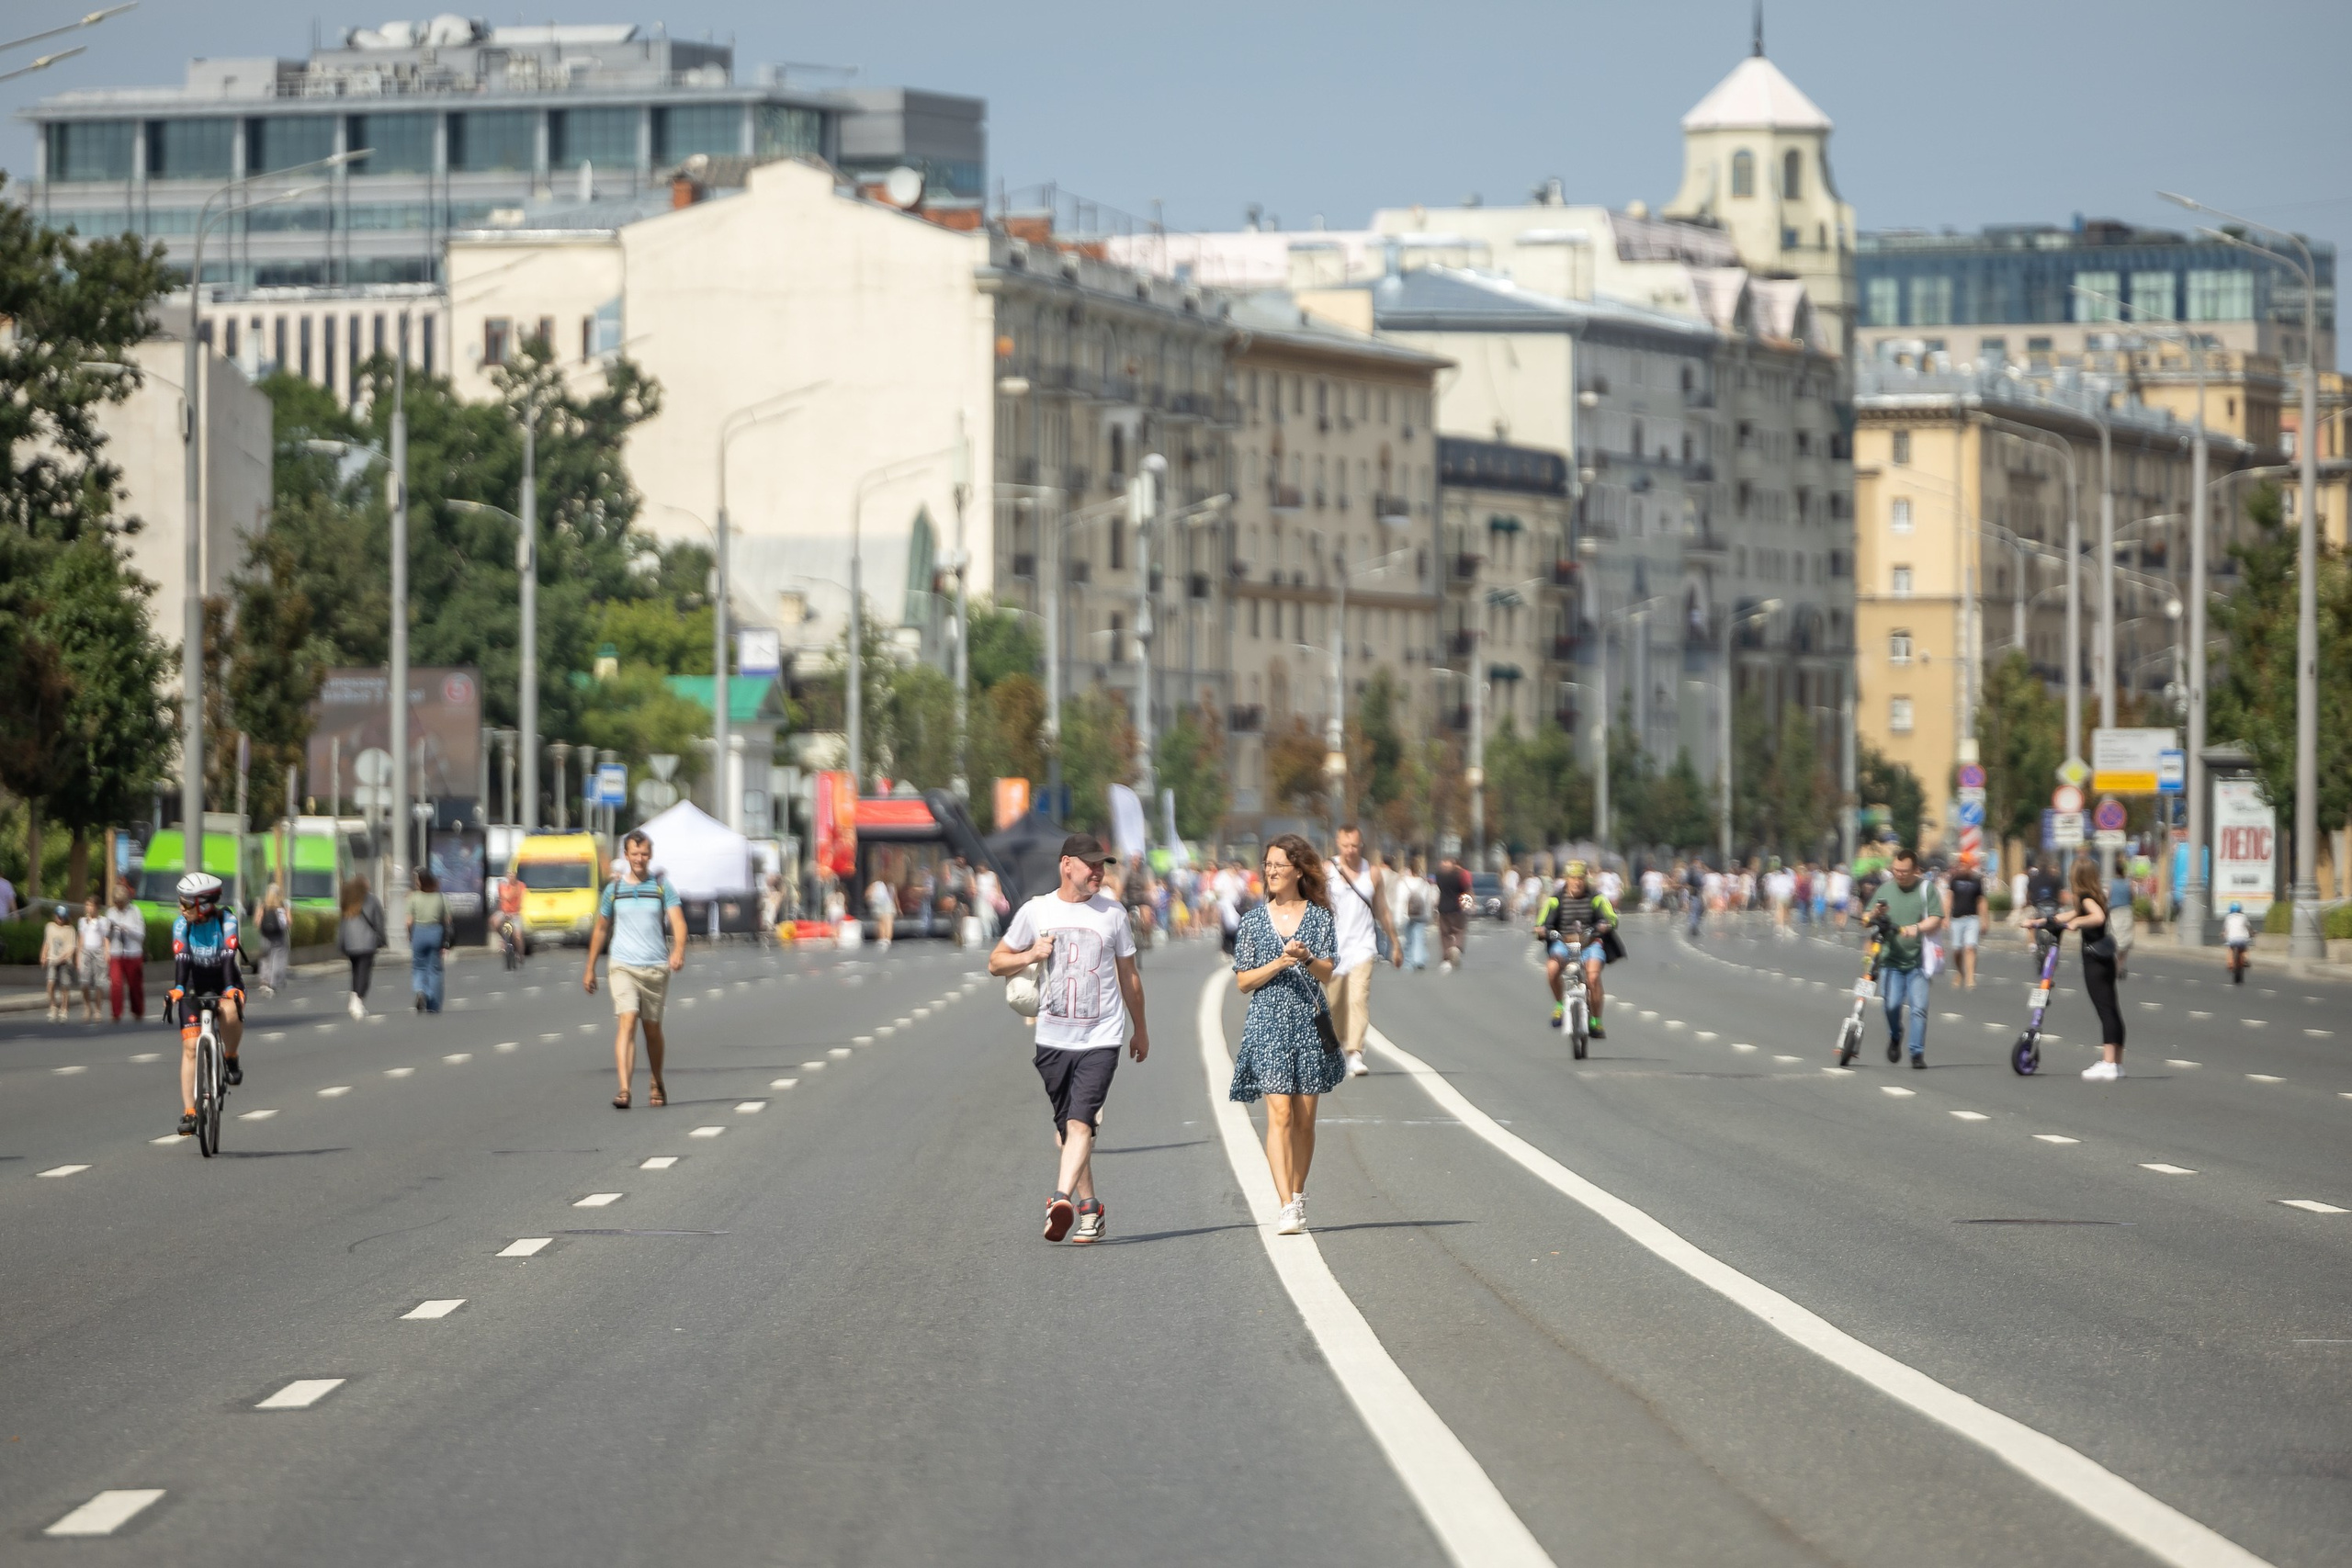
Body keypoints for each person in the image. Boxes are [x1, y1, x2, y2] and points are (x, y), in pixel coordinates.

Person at [988, 833, 1148, 1245]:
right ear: (1066, 865)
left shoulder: (1113, 914)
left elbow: (1129, 976)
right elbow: (995, 962)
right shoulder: (1036, 911)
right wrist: (1029, 955)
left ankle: (1058, 1199)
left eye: (1103, 865)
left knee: (1080, 1123)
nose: (1099, 871)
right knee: (1067, 1130)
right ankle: (1090, 1209)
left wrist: (1140, 1028)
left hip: (1101, 1037)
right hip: (1052, 1039)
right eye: (1091, 864)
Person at [1229, 834, 1340, 1236]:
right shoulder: (1254, 922)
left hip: (1308, 1021)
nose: (1271, 872)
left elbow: (1329, 972)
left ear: (1298, 870)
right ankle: (1286, 1204)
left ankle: (1299, 1190)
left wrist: (1306, 957)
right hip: (1268, 1022)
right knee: (1278, 1113)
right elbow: (1243, 981)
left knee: (1304, 1120)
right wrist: (1279, 961)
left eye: (1279, 865)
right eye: (1268, 865)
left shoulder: (1319, 918)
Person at [583, 829, 687, 1111]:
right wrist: (590, 967)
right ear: (626, 855)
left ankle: (656, 1080)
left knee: (651, 1029)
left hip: (654, 966)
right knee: (626, 1021)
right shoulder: (614, 890)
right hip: (622, 964)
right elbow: (602, 927)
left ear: (650, 855)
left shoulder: (661, 887)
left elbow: (677, 921)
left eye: (644, 853)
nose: (639, 858)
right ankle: (624, 1089)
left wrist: (678, 950)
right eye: (634, 853)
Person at [166, 872, 244, 1136]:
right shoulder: (181, 924)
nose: (181, 908)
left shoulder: (226, 920)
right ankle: (190, 1111)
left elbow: (227, 955)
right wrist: (178, 988)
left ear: (205, 903)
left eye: (186, 903)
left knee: (231, 1011)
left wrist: (231, 989)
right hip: (192, 983)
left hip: (223, 980)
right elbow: (183, 958)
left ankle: (230, 1057)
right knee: (190, 1047)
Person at [1325, 825, 1401, 1078]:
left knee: (1358, 998)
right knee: (1335, 1004)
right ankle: (1339, 1047)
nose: (1350, 850)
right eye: (1346, 845)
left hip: (1363, 946)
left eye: (1355, 846)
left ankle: (1354, 1052)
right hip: (1333, 948)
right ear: (1338, 843)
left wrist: (1395, 943)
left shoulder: (1373, 873)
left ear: (1362, 845)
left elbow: (1383, 910)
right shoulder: (1327, 871)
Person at [2042, 858, 2127, 1080]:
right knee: (2111, 1008)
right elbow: (2068, 915)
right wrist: (2040, 922)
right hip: (2106, 959)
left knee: (2105, 1009)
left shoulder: (2085, 897)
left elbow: (2095, 917)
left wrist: (2078, 924)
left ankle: (2108, 1063)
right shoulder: (2096, 895)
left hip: (2095, 961)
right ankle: (2116, 1063)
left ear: (2077, 876)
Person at [1862, 847, 1941, 1069]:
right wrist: (1875, 914)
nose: (1899, 874)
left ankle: (1917, 1053)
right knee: (1892, 1005)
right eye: (1895, 869)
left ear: (1916, 870)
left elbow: (1936, 918)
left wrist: (1916, 928)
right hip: (1890, 961)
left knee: (1919, 1007)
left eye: (1904, 871)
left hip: (1918, 961)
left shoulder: (1926, 889)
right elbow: (1866, 919)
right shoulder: (1885, 889)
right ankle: (1895, 1035)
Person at [1538, 861, 1617, 1038]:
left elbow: (1611, 918)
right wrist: (1542, 929)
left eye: (1580, 878)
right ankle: (1560, 1005)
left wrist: (1606, 925)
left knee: (1593, 977)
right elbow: (1541, 922)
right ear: (1567, 879)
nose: (1577, 882)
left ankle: (1596, 1021)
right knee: (1551, 969)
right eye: (1573, 878)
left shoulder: (1596, 897)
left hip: (1591, 943)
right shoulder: (1555, 899)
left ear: (1585, 879)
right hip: (1563, 942)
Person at [339, 875, 385, 1019]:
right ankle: (358, 1000)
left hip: (350, 942)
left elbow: (342, 921)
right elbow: (378, 921)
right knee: (364, 973)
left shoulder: (348, 899)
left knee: (355, 971)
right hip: (367, 942)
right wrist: (382, 939)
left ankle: (354, 999)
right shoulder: (371, 900)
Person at [407, 869, 450, 1013]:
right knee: (435, 970)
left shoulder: (413, 897)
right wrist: (446, 940)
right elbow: (448, 920)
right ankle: (433, 1005)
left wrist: (410, 935)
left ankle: (420, 990)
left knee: (419, 966)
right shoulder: (441, 898)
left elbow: (408, 921)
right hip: (435, 932)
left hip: (418, 932)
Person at [105, 882, 147, 1021]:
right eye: (116, 902)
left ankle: (138, 1011)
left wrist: (127, 929)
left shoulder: (135, 912)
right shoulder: (110, 912)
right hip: (116, 952)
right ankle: (116, 1013)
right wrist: (110, 929)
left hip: (133, 952)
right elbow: (106, 935)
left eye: (121, 902)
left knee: (134, 984)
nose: (119, 905)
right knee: (116, 983)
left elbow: (141, 934)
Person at [1942, 855, 1984, 989]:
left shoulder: (1977, 881)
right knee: (1957, 949)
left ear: (1970, 865)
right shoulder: (1954, 880)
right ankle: (1960, 971)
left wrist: (1985, 920)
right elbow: (1949, 898)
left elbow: (1982, 901)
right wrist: (1946, 917)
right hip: (1956, 919)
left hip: (1972, 918)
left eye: (1965, 864)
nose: (1962, 866)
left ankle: (1971, 976)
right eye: (1960, 864)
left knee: (1970, 947)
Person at [1431, 850, 1472, 972]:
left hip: (1443, 906)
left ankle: (1446, 956)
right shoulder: (1459, 875)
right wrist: (1468, 905)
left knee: (1444, 933)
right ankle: (1456, 947)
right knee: (1459, 929)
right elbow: (1466, 889)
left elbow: (1438, 888)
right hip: (1457, 907)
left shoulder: (1439, 875)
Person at [41, 904, 77, 1021]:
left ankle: (64, 1008)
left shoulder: (70, 930)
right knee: (50, 983)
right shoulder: (50, 927)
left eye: (62, 917)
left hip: (64, 962)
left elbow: (71, 948)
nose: (59, 919)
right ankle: (52, 1007)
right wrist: (43, 955)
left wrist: (64, 958)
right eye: (58, 916)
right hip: (52, 959)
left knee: (64, 985)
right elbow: (47, 942)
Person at [75, 894, 107, 1021]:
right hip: (86, 951)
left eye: (91, 905)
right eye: (87, 905)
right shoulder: (82, 921)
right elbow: (81, 939)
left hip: (98, 951)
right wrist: (78, 955)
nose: (88, 908)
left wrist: (107, 952)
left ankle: (98, 1010)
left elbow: (105, 938)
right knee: (84, 982)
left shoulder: (102, 921)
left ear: (96, 907)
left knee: (100, 982)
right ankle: (87, 1006)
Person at [256, 884, 290, 998]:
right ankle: (273, 982)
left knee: (265, 958)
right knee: (277, 958)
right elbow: (289, 921)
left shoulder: (263, 905)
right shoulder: (282, 906)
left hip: (265, 935)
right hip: (278, 936)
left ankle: (264, 981)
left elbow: (257, 921)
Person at [2222, 901, 2254, 983]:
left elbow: (2225, 930)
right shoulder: (2243, 917)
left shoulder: (2228, 917)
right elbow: (2249, 927)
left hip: (2232, 939)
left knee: (2230, 949)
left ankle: (2230, 963)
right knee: (2245, 949)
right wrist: (2252, 933)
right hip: (2242, 939)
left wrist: (2223, 934)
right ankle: (2245, 959)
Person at [865, 870, 896, 948]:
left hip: (888, 904)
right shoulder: (877, 884)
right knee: (881, 922)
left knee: (888, 922)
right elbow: (868, 894)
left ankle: (887, 939)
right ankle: (882, 939)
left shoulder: (891, 886)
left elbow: (895, 898)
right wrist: (872, 900)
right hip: (880, 904)